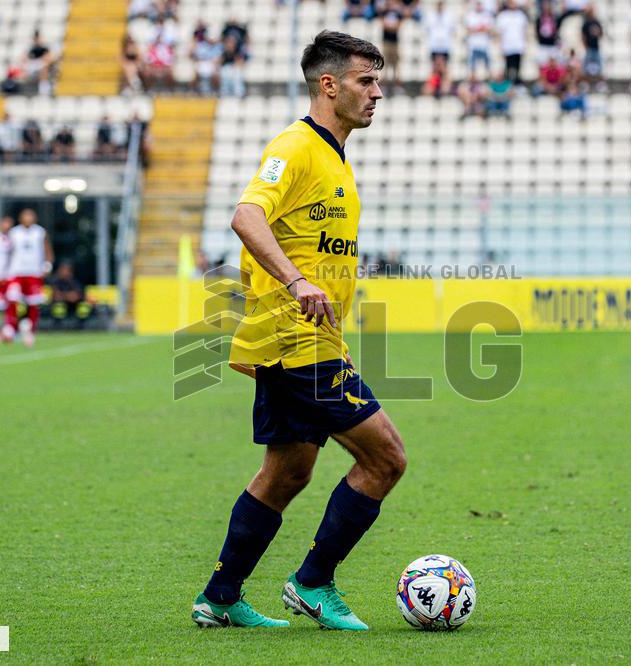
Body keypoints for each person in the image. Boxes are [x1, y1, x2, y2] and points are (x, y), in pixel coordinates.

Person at [192, 30, 405, 632]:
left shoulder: (334, 155)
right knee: (386, 459)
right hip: (297, 341)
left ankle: (220, 596)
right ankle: (312, 583)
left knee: (287, 472)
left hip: (305, 341)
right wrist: (296, 282)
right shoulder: (297, 146)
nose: (377, 93)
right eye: (367, 80)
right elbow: (246, 215)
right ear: (329, 85)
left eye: (378, 80)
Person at [3, 208, 53, 347]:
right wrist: (5, 270)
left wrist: (47, 265)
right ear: (20, 218)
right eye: (25, 216)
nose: (28, 218)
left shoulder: (40, 232)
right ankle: (10, 328)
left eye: (30, 216)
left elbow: (47, 249)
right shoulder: (14, 233)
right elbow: (8, 252)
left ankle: (30, 330)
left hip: (34, 272)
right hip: (16, 271)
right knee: (13, 298)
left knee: (33, 302)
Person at [496, 0, 528, 87]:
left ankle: (517, 85)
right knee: (508, 67)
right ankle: (507, 85)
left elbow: (524, 31)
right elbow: (500, 33)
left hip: (518, 45)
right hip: (507, 45)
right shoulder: (503, 16)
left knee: (517, 67)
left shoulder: (521, 15)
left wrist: (525, 44)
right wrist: (500, 45)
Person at [20, 30, 56, 96]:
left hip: (41, 64)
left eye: (37, 38)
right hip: (33, 65)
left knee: (44, 68)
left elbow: (51, 58)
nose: (36, 40)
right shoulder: (31, 49)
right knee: (22, 70)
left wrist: (44, 60)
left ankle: (44, 90)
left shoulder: (44, 48)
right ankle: (23, 89)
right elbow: (24, 59)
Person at [423, 1, 455, 72]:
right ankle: (435, 82)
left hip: (445, 45)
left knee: (445, 67)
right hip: (434, 45)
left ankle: (445, 82)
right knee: (434, 66)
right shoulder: (430, 16)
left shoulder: (449, 16)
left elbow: (452, 30)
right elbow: (427, 29)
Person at [466, 1, 494, 78]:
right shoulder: (470, 15)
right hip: (473, 45)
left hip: (484, 45)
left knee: (488, 67)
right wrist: (481, 29)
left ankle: (488, 82)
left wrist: (476, 29)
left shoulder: (487, 15)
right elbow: (468, 30)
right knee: (472, 68)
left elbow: (489, 29)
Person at [580, 4, 605, 91]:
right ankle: (585, 83)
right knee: (586, 67)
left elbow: (601, 34)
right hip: (589, 48)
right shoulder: (586, 23)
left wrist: (597, 33)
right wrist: (585, 46)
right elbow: (582, 36)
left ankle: (600, 83)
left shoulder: (596, 22)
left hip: (596, 48)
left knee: (600, 66)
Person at [381, 1, 404, 92]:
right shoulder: (384, 12)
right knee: (385, 63)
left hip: (395, 42)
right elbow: (383, 24)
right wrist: (391, 27)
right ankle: (384, 85)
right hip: (386, 41)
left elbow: (398, 25)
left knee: (395, 63)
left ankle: (396, 85)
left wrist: (391, 27)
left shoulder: (397, 13)